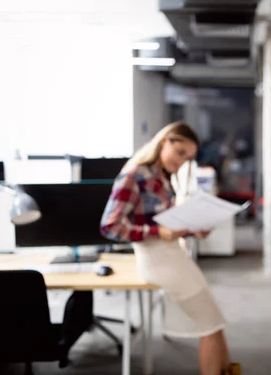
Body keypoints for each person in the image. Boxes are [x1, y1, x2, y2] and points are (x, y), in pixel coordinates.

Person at [100, 122, 241, 375]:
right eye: (180, 152)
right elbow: (110, 226)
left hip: (173, 255)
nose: (182, 161)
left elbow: (166, 222)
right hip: (157, 259)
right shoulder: (135, 174)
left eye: (188, 157)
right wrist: (157, 233)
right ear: (164, 141)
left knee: (215, 324)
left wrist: (194, 228)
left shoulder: (162, 177)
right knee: (210, 326)